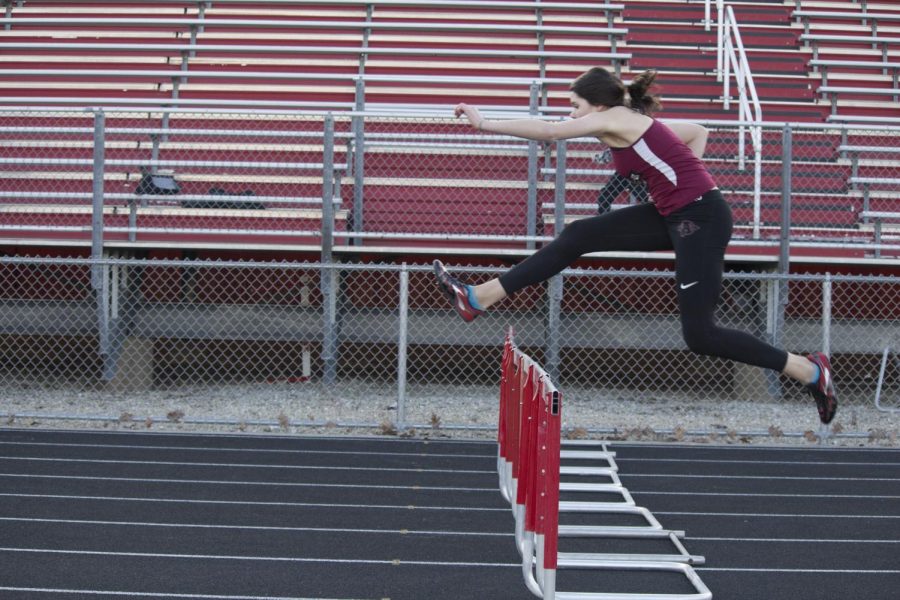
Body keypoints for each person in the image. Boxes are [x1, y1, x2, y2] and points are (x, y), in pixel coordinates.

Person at [433, 67, 837, 424]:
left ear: (597, 105)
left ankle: (810, 371)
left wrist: (484, 123)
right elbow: (698, 133)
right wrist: (677, 186)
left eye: (575, 106)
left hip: (702, 219)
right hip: (680, 212)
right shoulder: (635, 121)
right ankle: (478, 297)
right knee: (579, 235)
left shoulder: (617, 118)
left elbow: (552, 132)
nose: (572, 114)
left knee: (701, 335)